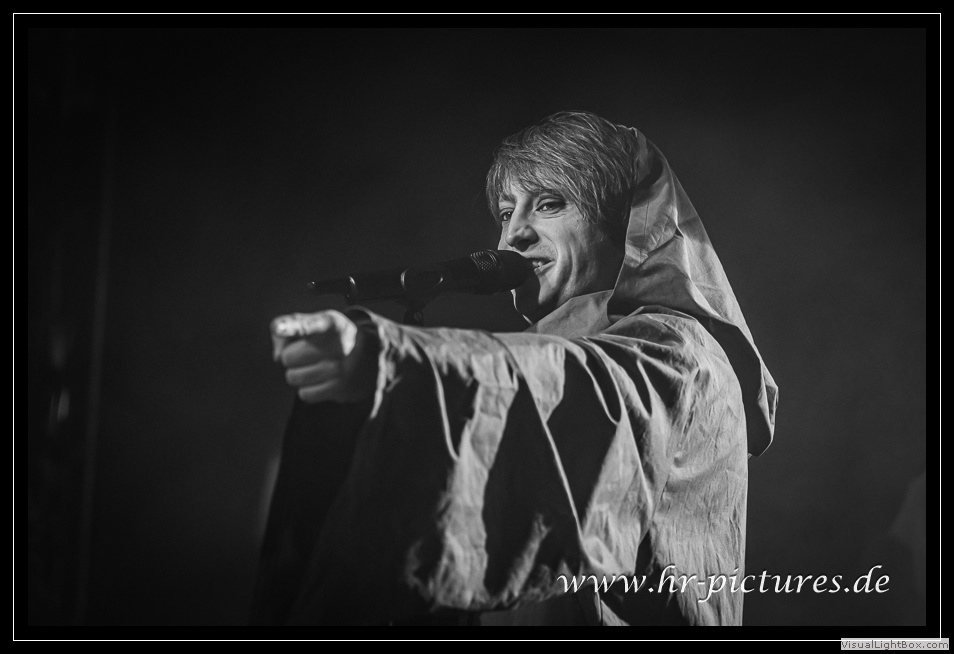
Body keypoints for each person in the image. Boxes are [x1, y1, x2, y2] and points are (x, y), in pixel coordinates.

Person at [249, 111, 778, 626]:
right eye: (506, 213)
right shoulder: (550, 347)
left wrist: (396, 363)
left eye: (550, 204)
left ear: (628, 224)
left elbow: (582, 393)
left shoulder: (681, 349)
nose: (513, 236)